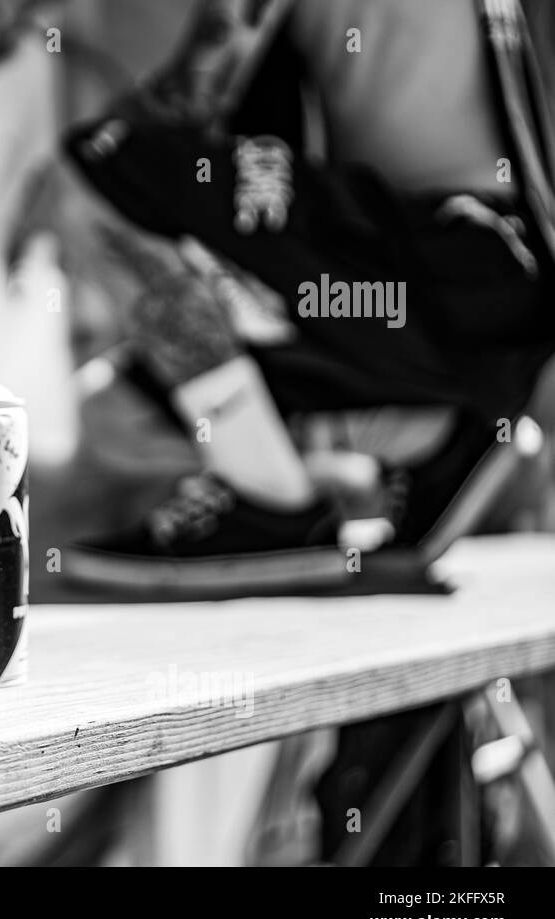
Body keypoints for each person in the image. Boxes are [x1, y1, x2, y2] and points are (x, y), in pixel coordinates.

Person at [56, 0, 555, 592]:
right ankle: (435, 438)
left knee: (95, 167)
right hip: (454, 294)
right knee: (120, 406)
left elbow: (179, 112)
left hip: (452, 268)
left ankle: (270, 500)